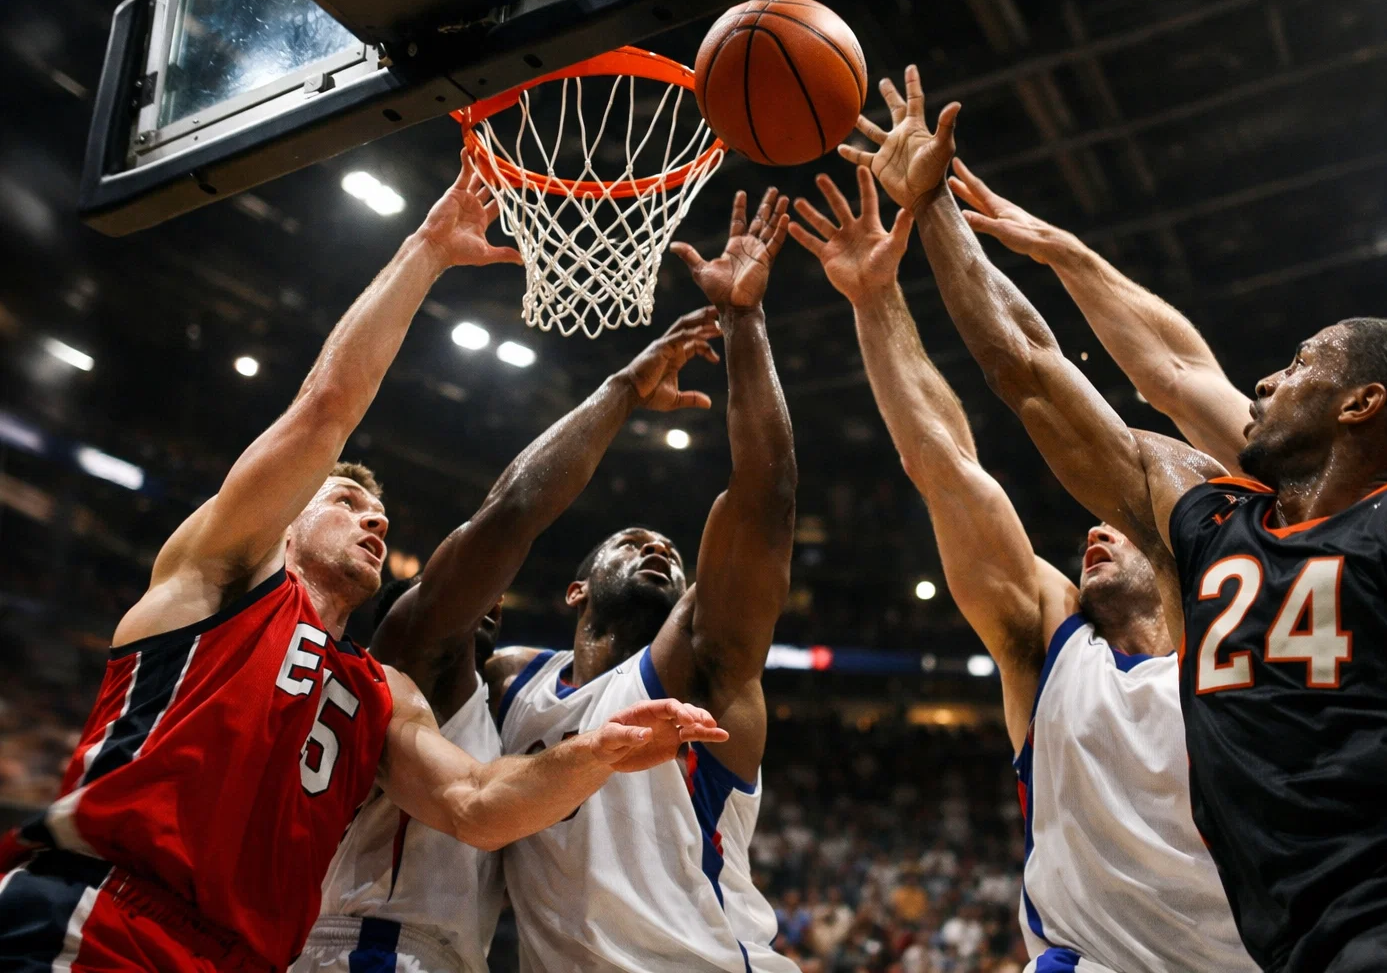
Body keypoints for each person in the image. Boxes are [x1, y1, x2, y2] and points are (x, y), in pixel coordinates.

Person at [850, 64, 1387, 972]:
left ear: (1362, 404)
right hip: (1305, 939)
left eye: (1299, 363)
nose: (1265, 379)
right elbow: (1028, 368)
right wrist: (930, 206)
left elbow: (1178, 372)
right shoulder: (1213, 522)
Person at [0, 155, 726, 973]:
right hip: (109, 913)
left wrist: (599, 751)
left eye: (377, 510)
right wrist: (427, 249)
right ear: (285, 518)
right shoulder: (221, 579)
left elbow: (477, 805)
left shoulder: (384, 695)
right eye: (345, 500)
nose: (374, 515)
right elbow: (325, 408)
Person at [789, 166, 1252, 972]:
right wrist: (875, 302)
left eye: (1122, 528)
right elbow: (944, 464)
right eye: (1090, 533)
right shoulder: (1051, 642)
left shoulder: (1249, 636)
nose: (1095, 534)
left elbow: (1185, 378)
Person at [293, 307, 723, 973]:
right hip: (371, 945)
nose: (490, 596)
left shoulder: (499, 705)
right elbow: (509, 518)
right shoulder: (408, 653)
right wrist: (622, 390)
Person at [492, 187, 799, 972]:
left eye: (670, 549)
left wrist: (743, 323)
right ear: (576, 590)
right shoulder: (507, 680)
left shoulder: (697, 668)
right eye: (632, 541)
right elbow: (495, 524)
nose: (659, 548)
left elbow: (764, 500)